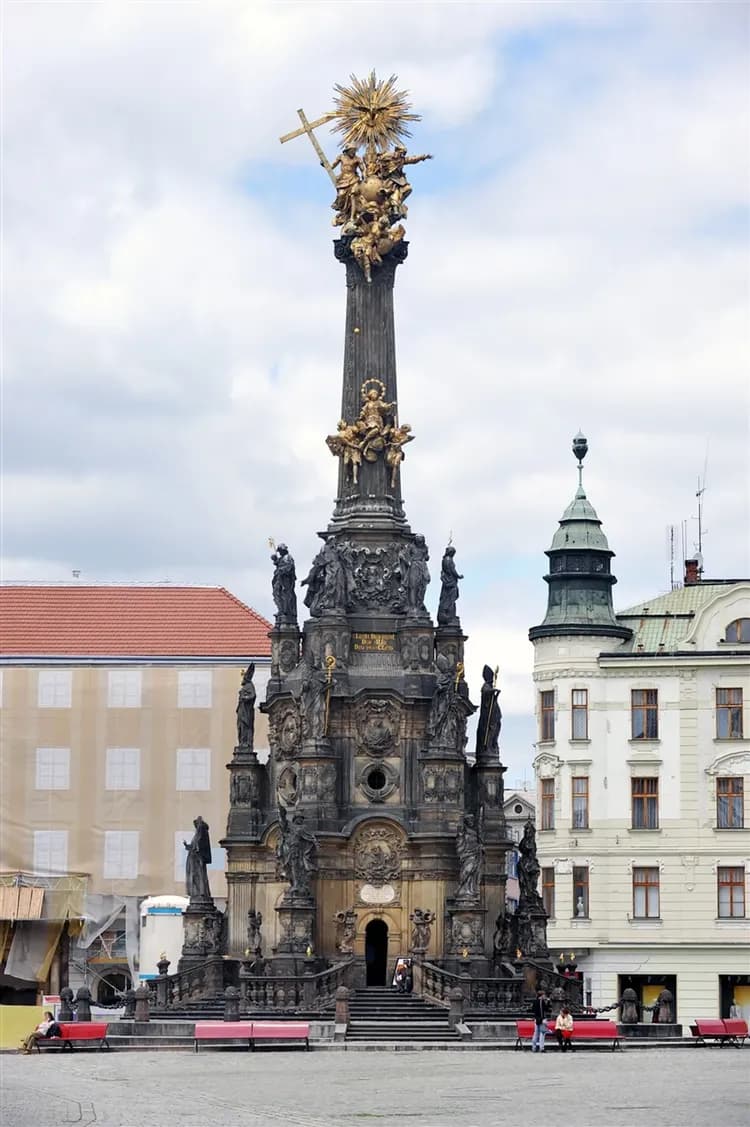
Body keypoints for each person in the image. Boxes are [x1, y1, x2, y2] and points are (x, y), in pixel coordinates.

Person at [531, 988, 549, 1053]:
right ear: (541, 995)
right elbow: (546, 1009)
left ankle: (534, 1047)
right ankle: (541, 1048)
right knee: (542, 1034)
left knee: (535, 1033)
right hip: (542, 1019)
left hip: (536, 1019)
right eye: (544, 995)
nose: (545, 996)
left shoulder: (535, 1001)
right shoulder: (542, 1001)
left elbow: (532, 1009)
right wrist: (547, 1002)